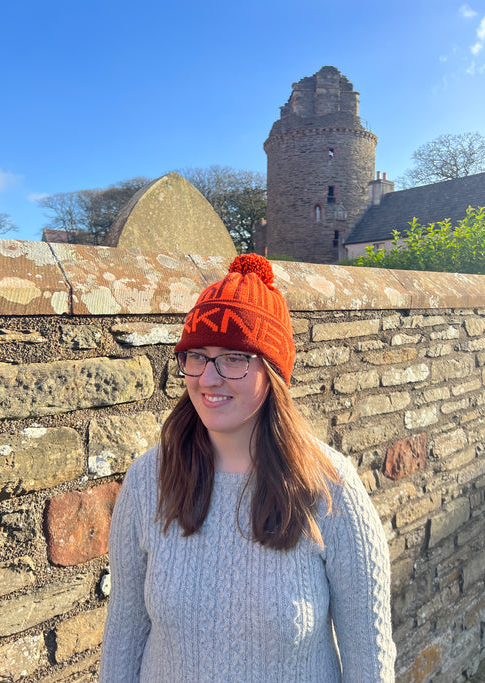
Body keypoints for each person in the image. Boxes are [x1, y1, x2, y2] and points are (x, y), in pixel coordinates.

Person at [99, 254, 396, 682]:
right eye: (196, 355)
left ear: (273, 371)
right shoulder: (149, 480)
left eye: (235, 358)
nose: (208, 378)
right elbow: (124, 636)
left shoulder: (330, 487)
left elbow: (369, 662)